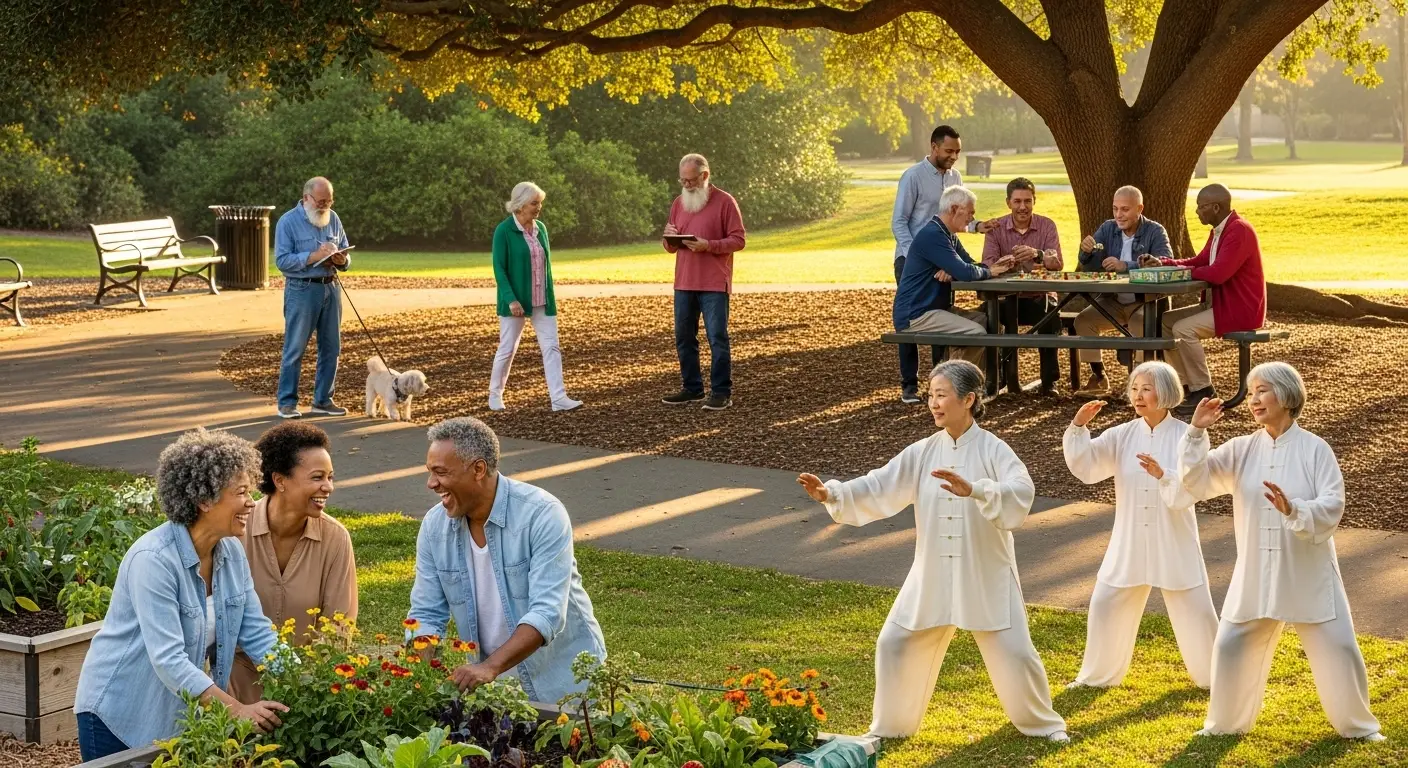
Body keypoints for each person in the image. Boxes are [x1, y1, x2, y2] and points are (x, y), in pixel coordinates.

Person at [797, 360, 1068, 742]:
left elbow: (1021, 493)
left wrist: (974, 490)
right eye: (930, 395)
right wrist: (833, 493)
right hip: (932, 571)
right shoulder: (923, 452)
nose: (933, 403)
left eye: (942, 395)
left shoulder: (994, 449)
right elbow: (881, 484)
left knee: (1016, 655)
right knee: (894, 643)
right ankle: (890, 728)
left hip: (985, 571)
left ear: (969, 399)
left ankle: (1044, 726)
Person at [1180, 364, 1384, 741]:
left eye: (1262, 391)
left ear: (1287, 396)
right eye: (1251, 392)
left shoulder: (1315, 449)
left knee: (1338, 648)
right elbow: (1195, 481)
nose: (1254, 400)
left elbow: (1333, 503)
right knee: (1230, 646)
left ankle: (1360, 728)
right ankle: (1224, 726)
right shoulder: (1241, 449)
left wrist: (1295, 510)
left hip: (1309, 572)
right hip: (1256, 570)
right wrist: (1196, 432)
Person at [73, 430, 288, 761]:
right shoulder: (154, 560)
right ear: (204, 500)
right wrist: (236, 710)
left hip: (172, 715)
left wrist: (306, 680)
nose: (252, 502)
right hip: (116, 713)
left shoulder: (231, 552)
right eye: (241, 492)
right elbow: (169, 659)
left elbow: (256, 631)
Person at [407, 417, 608, 703]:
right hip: (496, 696)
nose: (431, 483)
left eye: (440, 472)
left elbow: (547, 614)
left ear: (478, 469)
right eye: (430, 472)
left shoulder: (542, 514)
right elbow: (425, 614)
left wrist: (488, 667)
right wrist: (418, 675)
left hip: (568, 690)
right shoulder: (434, 527)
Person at [1062, 361, 1218, 689]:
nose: (1138, 395)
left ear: (1165, 392)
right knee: (1106, 604)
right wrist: (1078, 427)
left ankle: (1216, 678)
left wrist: (1165, 475)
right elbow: (1087, 466)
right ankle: (1097, 677)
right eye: (1134, 388)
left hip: (1173, 538)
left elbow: (1195, 482)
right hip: (1130, 538)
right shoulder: (1122, 435)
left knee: (1197, 613)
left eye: (1146, 388)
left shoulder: (1184, 435)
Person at [231, 422, 358, 704]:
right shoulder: (235, 532)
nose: (328, 487)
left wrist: (306, 688)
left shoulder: (335, 539)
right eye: (317, 477)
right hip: (236, 690)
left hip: (306, 691)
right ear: (280, 480)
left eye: (330, 477)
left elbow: (340, 628)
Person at [891, 125, 999, 403]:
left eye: (958, 152)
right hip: (914, 261)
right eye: (949, 150)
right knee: (959, 328)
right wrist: (921, 256)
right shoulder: (913, 177)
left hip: (938, 258)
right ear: (934, 147)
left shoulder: (954, 183)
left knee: (983, 320)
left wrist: (975, 229)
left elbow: (960, 237)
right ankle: (930, 386)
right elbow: (899, 222)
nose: (954, 156)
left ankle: (955, 381)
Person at [1142, 184, 1266, 415]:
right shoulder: (1220, 230)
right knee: (1166, 322)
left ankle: (1205, 390)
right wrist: (1165, 263)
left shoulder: (1239, 231)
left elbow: (1218, 273)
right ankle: (1183, 387)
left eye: (1201, 207)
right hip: (1219, 304)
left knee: (1184, 329)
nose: (1197, 212)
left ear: (1216, 207)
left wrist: (1184, 272)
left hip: (1238, 308)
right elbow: (1200, 261)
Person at [893, 186, 1014, 371]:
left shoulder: (948, 236)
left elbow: (969, 265)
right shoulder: (933, 235)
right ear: (954, 209)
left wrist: (992, 267)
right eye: (970, 212)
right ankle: (956, 385)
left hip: (934, 308)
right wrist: (988, 272)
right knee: (976, 332)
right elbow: (966, 272)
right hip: (916, 314)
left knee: (985, 321)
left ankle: (983, 382)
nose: (972, 218)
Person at [660, 153, 746, 411]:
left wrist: (709, 245)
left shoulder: (725, 202)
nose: (686, 185)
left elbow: (738, 240)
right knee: (684, 337)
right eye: (682, 181)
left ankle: (721, 392)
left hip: (713, 284)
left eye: (691, 180)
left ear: (705, 176)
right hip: (684, 281)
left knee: (717, 337)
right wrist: (668, 236)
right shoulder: (678, 203)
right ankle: (692, 388)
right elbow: (669, 246)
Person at [489, 181, 583, 412]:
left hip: (542, 298)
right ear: (520, 205)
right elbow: (499, 268)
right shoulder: (504, 231)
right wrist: (511, 299)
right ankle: (495, 395)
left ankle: (558, 398)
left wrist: (550, 295)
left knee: (552, 347)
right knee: (508, 348)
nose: (538, 207)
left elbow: (546, 265)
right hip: (516, 301)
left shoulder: (541, 227)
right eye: (534, 203)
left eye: (540, 203)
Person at [1072, 186, 1172, 394]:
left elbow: (1164, 263)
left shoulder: (1155, 231)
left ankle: (1139, 383)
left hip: (1146, 301)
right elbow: (1090, 268)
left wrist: (1126, 266)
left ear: (1139, 209)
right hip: (1113, 299)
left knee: (1139, 322)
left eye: (1125, 209)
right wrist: (1086, 253)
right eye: (1115, 209)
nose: (1118, 215)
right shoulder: (1107, 229)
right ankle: (1098, 376)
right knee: (1083, 321)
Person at [274, 176, 351, 419]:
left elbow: (346, 252)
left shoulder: (334, 218)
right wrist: (312, 255)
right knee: (295, 348)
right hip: (302, 289)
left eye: (329, 201)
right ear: (306, 197)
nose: (325, 206)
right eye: (320, 201)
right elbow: (282, 261)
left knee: (331, 347)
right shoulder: (288, 222)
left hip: (330, 286)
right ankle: (286, 402)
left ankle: (323, 400)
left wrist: (342, 260)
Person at [982, 177, 1065, 392]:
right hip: (1005, 297)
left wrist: (1037, 254)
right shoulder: (995, 228)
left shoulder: (1047, 226)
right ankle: (997, 378)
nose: (1022, 207)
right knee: (986, 318)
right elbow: (987, 263)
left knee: (1050, 315)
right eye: (1017, 201)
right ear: (1008, 202)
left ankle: (1049, 382)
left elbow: (1056, 264)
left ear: (1034, 201)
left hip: (1038, 296)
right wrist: (1006, 262)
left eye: (1027, 201)